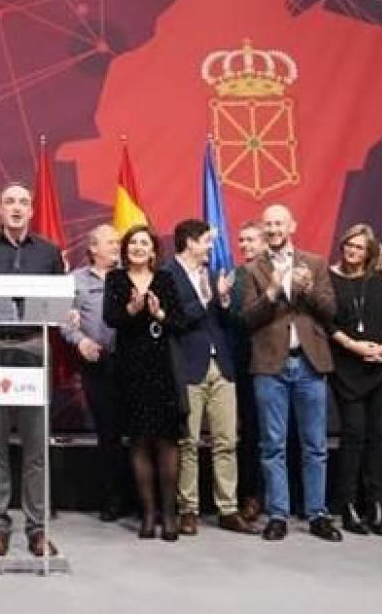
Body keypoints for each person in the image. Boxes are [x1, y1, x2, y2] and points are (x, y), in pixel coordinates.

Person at [0, 183, 64, 558]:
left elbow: (57, 299)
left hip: (34, 347)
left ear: (32, 210)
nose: (17, 208)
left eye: (23, 202)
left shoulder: (49, 252)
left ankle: (37, 531)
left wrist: (65, 311)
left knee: (37, 447)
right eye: (10, 202)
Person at [241, 204, 339, 542]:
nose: (273, 229)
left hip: (310, 364)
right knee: (272, 446)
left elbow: (330, 312)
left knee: (315, 445)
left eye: (279, 223)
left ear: (291, 225)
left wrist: (309, 289)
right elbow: (247, 319)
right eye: (268, 224)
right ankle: (278, 514)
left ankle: (317, 514)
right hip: (270, 365)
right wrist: (270, 294)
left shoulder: (314, 263)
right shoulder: (253, 268)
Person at [164, 219, 248, 536]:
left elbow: (225, 322)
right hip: (188, 366)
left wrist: (223, 301)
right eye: (206, 241)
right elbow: (177, 319)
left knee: (226, 440)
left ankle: (228, 508)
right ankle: (189, 509)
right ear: (189, 242)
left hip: (221, 366)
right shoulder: (166, 275)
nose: (211, 247)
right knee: (188, 442)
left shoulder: (213, 276)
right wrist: (209, 298)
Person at [103, 225, 185, 541]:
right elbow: (111, 319)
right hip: (130, 368)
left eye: (144, 243)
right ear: (125, 250)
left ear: (153, 251)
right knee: (138, 441)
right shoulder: (116, 279)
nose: (138, 247)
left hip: (163, 367)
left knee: (166, 441)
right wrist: (131, 309)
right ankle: (148, 513)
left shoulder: (165, 279)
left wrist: (159, 313)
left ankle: (169, 513)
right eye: (133, 242)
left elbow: (179, 321)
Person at [327, 224, 382, 537]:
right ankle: (347, 506)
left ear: (369, 252)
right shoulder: (330, 279)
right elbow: (328, 323)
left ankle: (377, 505)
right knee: (353, 436)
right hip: (348, 368)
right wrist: (354, 346)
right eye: (349, 245)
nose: (353, 251)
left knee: (378, 436)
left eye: (359, 247)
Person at [63, 225, 132, 522]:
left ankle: (143, 500)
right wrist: (81, 341)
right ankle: (113, 499)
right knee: (108, 435)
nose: (117, 247)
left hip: (133, 363)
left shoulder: (131, 277)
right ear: (92, 248)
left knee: (139, 433)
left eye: (119, 242)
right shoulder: (75, 281)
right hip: (98, 363)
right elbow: (63, 321)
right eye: (111, 242)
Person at [232, 221, 267, 522]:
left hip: (281, 360)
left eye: (251, 240)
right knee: (252, 433)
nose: (245, 245)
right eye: (241, 240)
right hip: (247, 364)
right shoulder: (236, 276)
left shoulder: (282, 272)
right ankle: (252, 496)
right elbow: (237, 319)